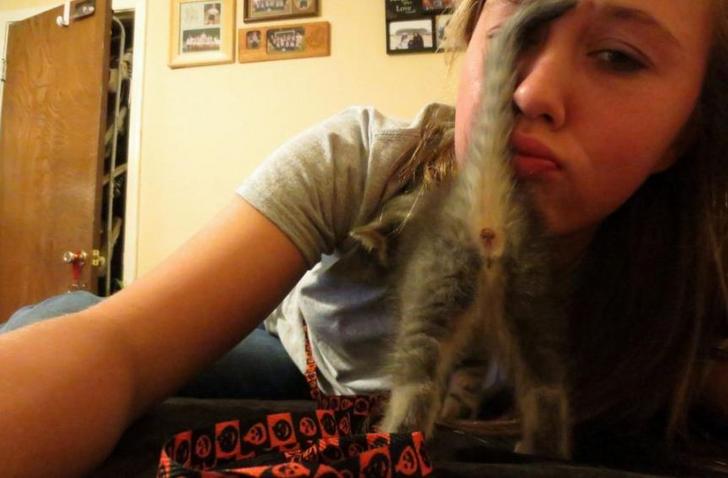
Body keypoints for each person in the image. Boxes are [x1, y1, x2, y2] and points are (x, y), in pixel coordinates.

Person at [2, 0, 728, 475]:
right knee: (60, 320)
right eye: (515, 37)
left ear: (684, 133)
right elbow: (121, 347)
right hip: (303, 363)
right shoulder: (365, 160)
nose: (531, 92)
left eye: (619, 57)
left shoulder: (692, 281)